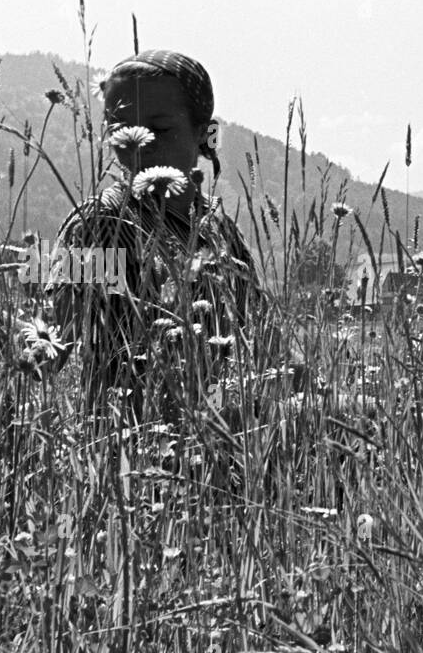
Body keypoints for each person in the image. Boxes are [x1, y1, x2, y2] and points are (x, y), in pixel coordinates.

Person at [49, 49, 263, 421]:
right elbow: (56, 342)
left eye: (160, 128)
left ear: (204, 134)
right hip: (125, 439)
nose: (139, 142)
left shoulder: (221, 229)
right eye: (120, 128)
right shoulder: (100, 224)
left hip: (220, 435)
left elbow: (262, 340)